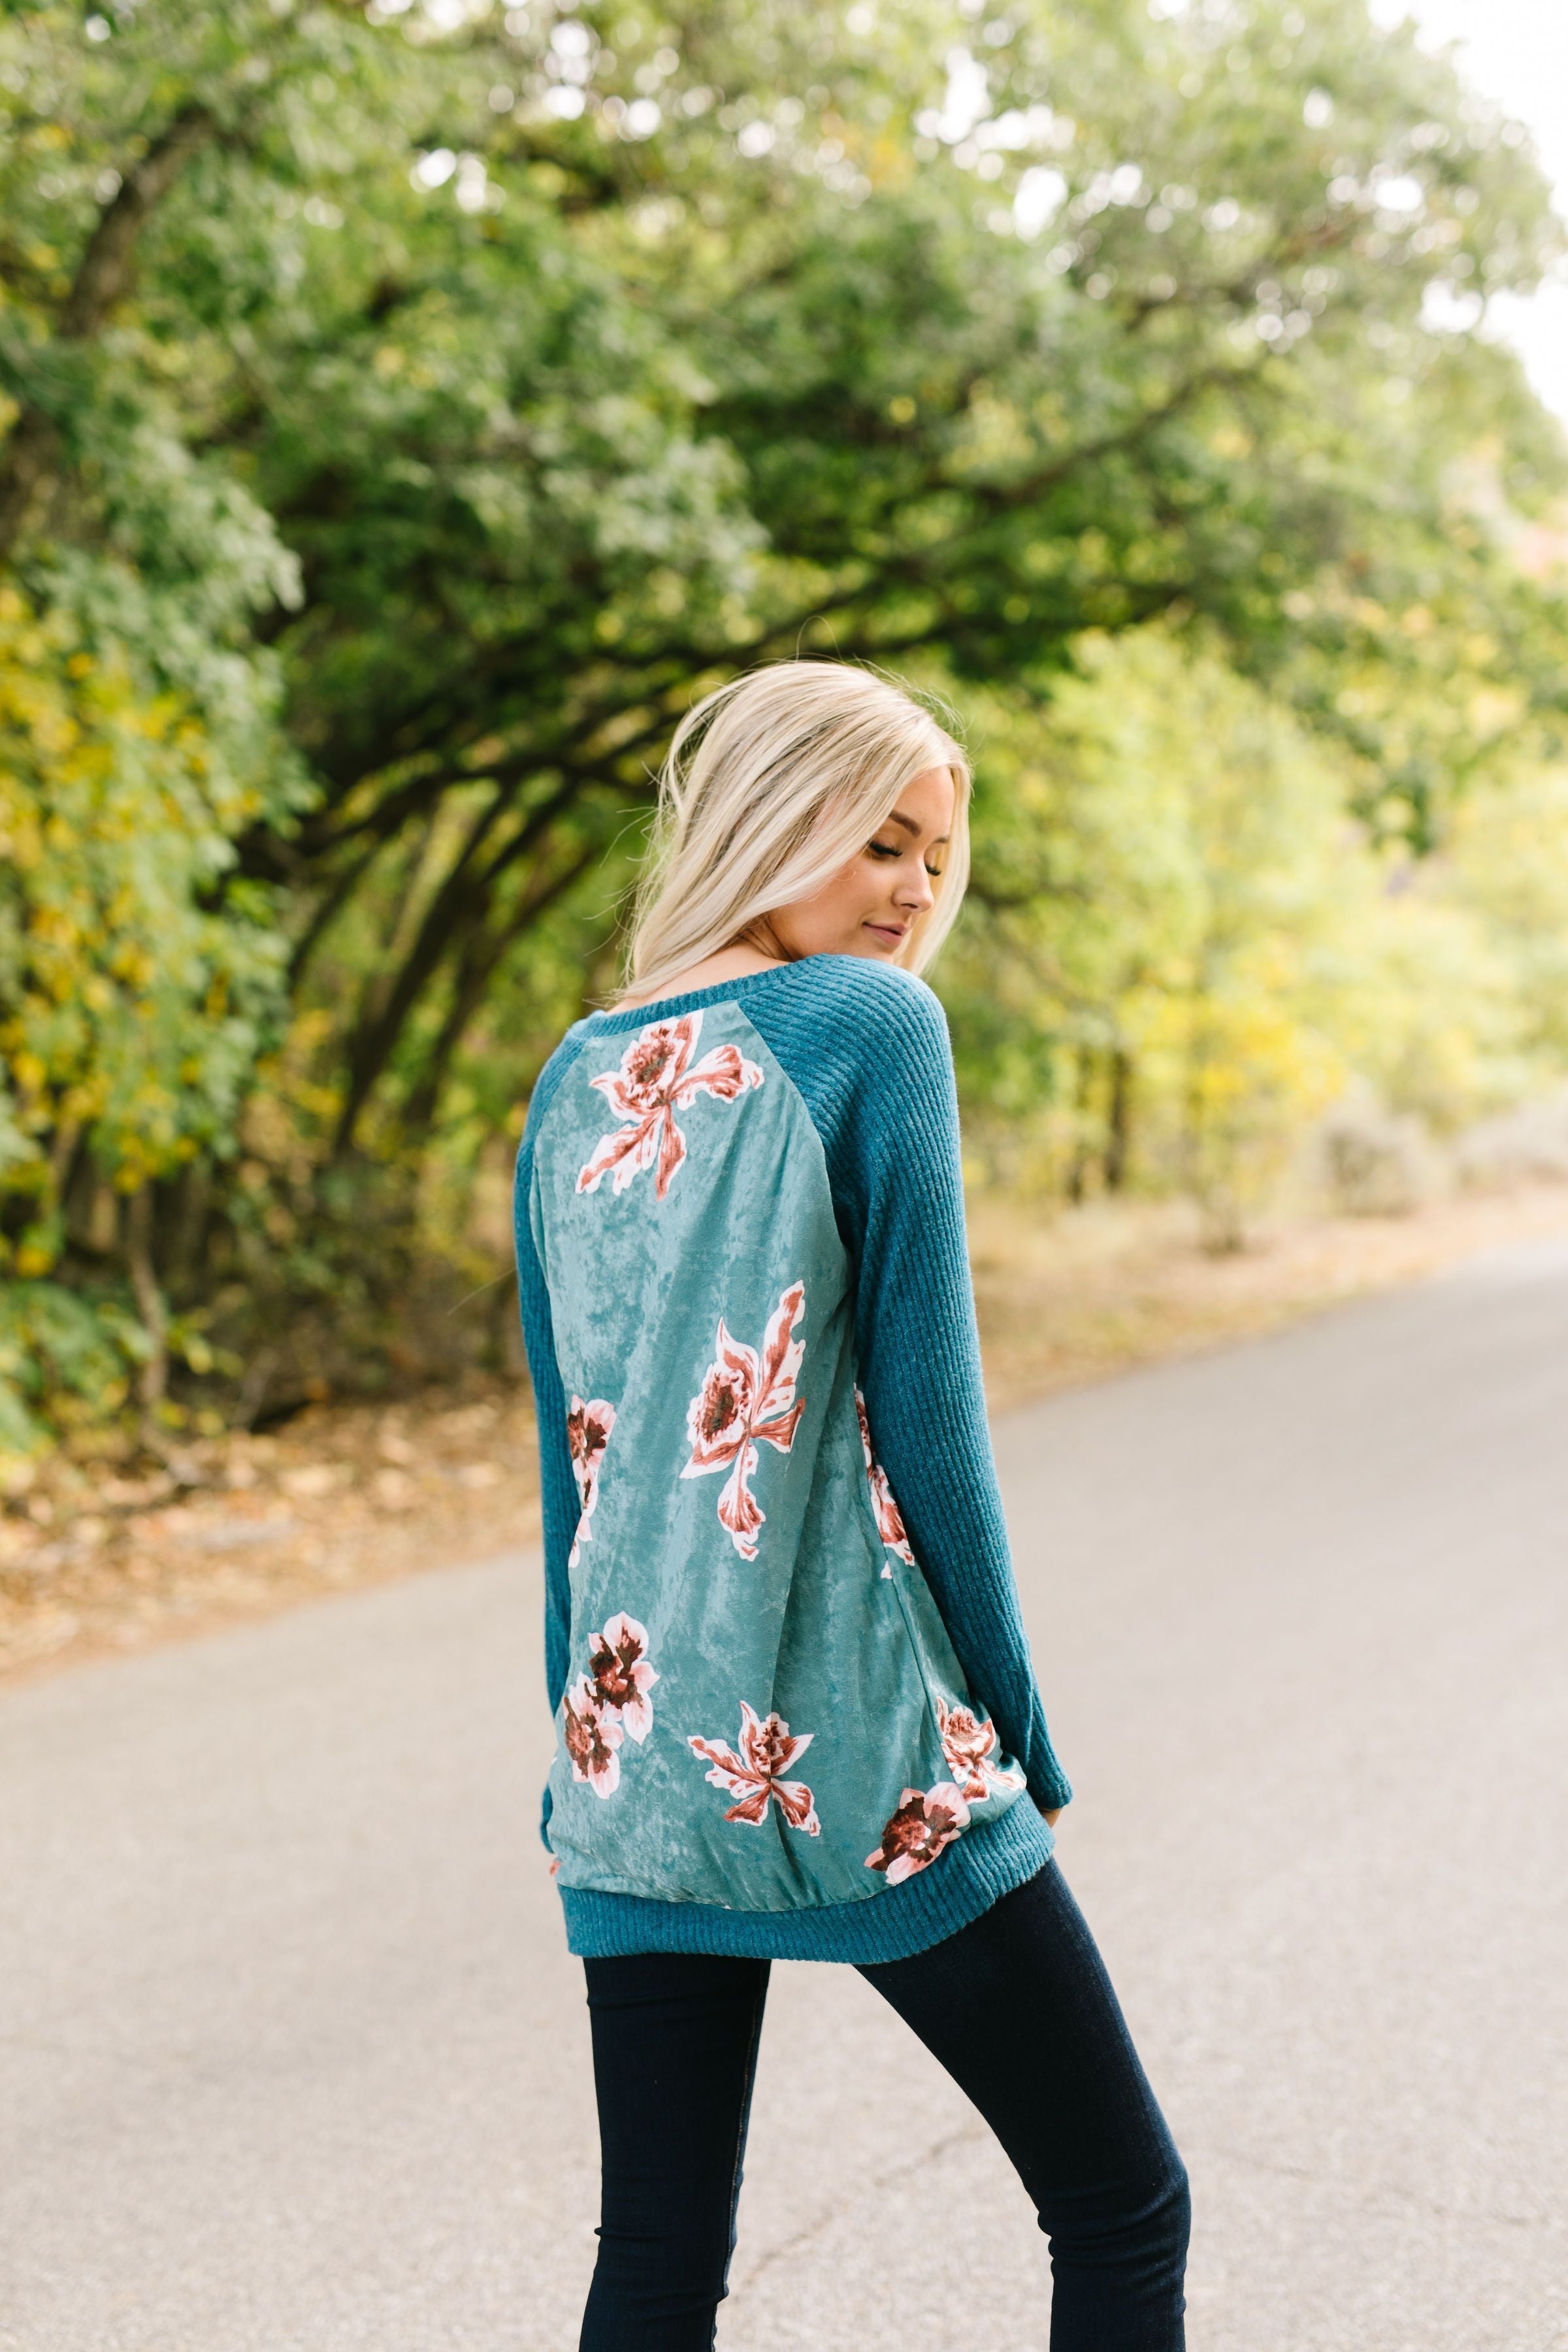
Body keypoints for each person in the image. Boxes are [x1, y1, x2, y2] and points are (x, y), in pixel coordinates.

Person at [514, 660, 1189, 2349]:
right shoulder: (870, 1032)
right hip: (855, 1748)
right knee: (1124, 2208)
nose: (912, 891)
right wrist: (1017, 1729)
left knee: (659, 2258)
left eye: (932, 856)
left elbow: (573, 1477)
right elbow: (933, 1437)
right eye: (880, 841)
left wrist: (596, 1747)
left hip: (639, 1754)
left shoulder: (572, 1081)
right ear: (772, 816)